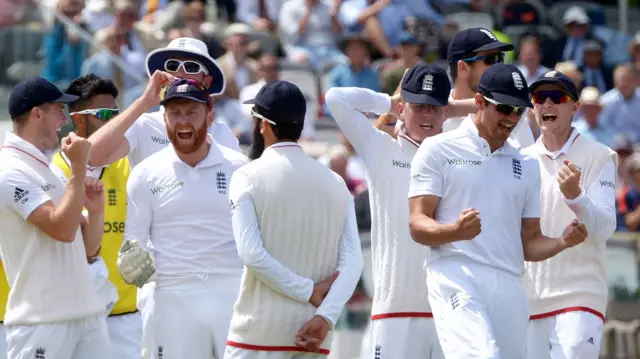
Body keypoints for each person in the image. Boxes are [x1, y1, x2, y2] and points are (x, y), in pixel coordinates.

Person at [407, 64, 588, 359]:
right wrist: (454, 231)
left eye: (518, 111)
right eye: (504, 108)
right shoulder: (438, 149)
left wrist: (561, 242)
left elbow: (528, 241)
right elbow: (417, 223)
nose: (512, 118)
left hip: (510, 282)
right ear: (479, 102)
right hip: (455, 272)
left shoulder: (527, 165)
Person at [223, 80, 363, 358]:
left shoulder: (247, 177)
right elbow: (353, 264)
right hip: (314, 335)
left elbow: (250, 254)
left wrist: (307, 290)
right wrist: (326, 316)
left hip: (257, 335)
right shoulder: (335, 182)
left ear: (262, 124)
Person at [117, 78, 248, 359]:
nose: (182, 120)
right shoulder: (145, 173)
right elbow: (134, 241)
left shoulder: (238, 167)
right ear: (164, 118)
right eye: (175, 113)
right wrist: (131, 264)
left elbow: (253, 239)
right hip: (171, 295)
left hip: (231, 292)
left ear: (210, 116)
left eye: (191, 112)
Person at [325, 63, 449, 359]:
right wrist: (389, 103)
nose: (427, 115)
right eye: (419, 106)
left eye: (435, 107)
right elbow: (336, 99)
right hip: (394, 311)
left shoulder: (457, 155)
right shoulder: (381, 149)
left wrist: (449, 108)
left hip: (447, 311)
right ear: (402, 107)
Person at [0, 77, 111, 358]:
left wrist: (96, 211)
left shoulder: (50, 169)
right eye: (58, 110)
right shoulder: (8, 170)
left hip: (87, 316)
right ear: (37, 113)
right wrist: (77, 167)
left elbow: (88, 249)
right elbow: (61, 229)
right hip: (40, 322)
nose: (65, 119)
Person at [524, 71, 617, 358]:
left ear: (574, 107)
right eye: (540, 98)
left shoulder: (600, 155)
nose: (547, 105)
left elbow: (604, 227)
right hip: (527, 300)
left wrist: (575, 196)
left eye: (557, 98)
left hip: (581, 295)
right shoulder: (520, 159)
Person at [49, 74, 141, 359]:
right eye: (105, 115)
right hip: (72, 317)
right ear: (78, 119)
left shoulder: (132, 164)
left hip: (127, 316)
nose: (115, 123)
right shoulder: (54, 172)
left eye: (118, 114)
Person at [86, 37, 241, 169]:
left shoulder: (223, 133)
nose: (180, 73)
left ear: (206, 82)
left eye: (191, 67)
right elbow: (90, 157)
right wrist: (143, 102)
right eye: (172, 66)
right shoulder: (144, 125)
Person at [444, 28, 534, 149]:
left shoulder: (513, 113)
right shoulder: (432, 112)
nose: (498, 66)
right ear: (463, 67)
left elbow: (529, 162)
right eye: (491, 59)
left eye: (500, 58)